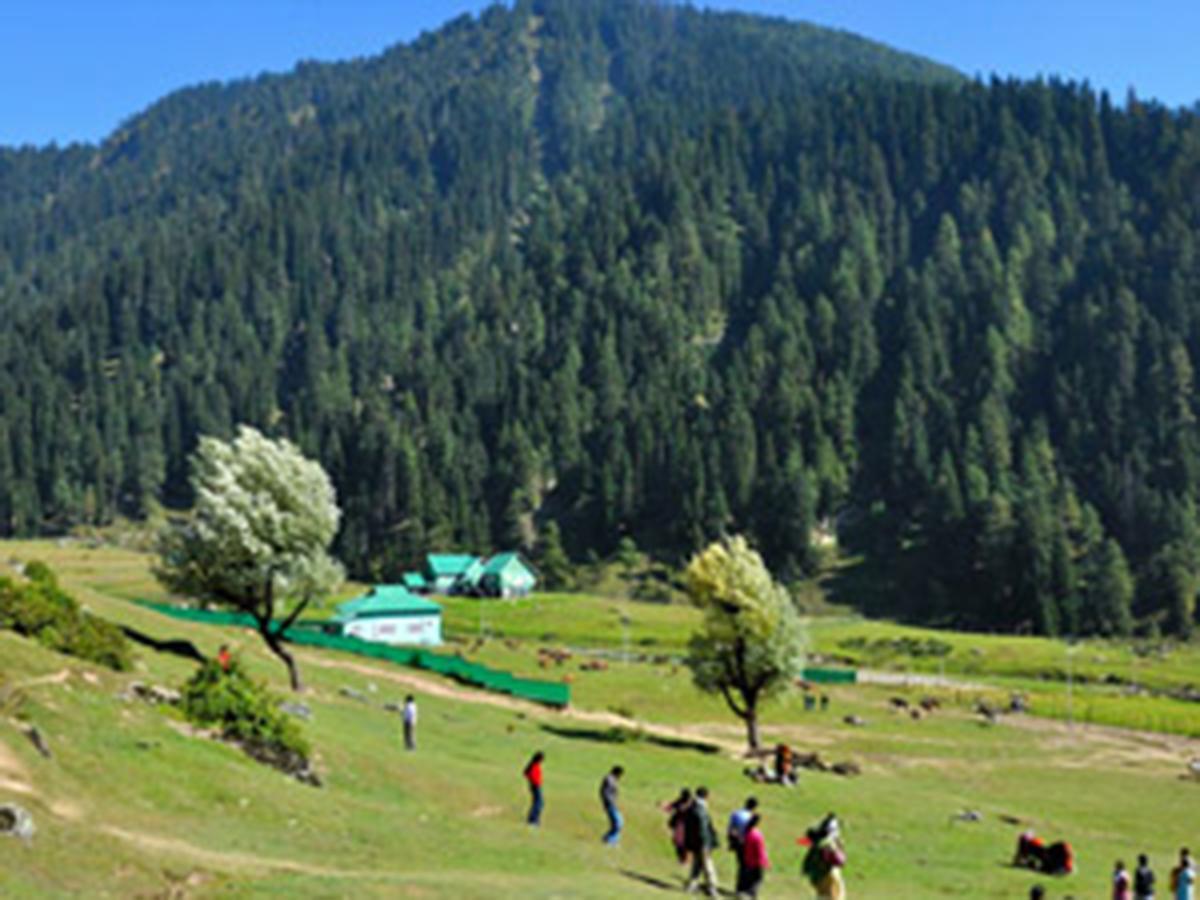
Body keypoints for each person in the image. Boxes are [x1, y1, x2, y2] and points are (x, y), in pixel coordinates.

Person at [801, 813, 846, 900]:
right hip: (829, 886)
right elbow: (840, 860)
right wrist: (838, 846)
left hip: (821, 886)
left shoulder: (816, 847)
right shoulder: (828, 846)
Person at [684, 786, 719, 897]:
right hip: (702, 843)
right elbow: (703, 828)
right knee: (708, 865)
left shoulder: (691, 807)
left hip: (694, 842)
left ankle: (692, 885)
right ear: (706, 796)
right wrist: (706, 844)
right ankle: (711, 887)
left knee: (697, 864)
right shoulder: (701, 809)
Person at [727, 797, 759, 891]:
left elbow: (730, 829)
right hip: (746, 844)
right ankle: (742, 888)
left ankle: (739, 887)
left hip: (737, 842)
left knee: (741, 866)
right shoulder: (751, 817)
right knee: (746, 867)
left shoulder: (736, 813)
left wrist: (731, 842)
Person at [738, 813, 769, 898]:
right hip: (756, 862)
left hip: (748, 859)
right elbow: (760, 851)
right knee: (758, 879)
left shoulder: (746, 831)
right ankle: (751, 894)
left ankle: (748, 893)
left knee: (751, 879)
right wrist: (765, 862)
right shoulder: (757, 834)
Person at [664, 788, 693, 865]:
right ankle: (681, 859)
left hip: (687, 826)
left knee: (685, 844)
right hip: (679, 824)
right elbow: (671, 806)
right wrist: (665, 806)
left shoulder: (691, 804)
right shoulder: (680, 801)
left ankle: (686, 860)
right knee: (678, 842)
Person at [600, 766, 624, 846]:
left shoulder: (611, 780)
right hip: (610, 804)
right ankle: (609, 840)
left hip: (612, 804)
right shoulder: (609, 780)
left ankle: (611, 840)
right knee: (618, 823)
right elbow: (605, 793)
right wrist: (610, 802)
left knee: (619, 822)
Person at [523, 751, 544, 826]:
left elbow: (526, 773)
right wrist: (534, 782)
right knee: (539, 804)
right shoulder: (534, 765)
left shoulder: (534, 765)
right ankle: (533, 820)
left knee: (537, 803)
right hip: (536, 786)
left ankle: (532, 819)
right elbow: (529, 775)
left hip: (535, 786)